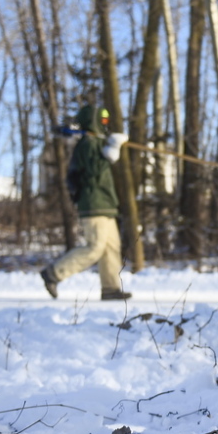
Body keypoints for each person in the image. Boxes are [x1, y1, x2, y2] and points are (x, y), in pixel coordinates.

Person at [41, 105, 132, 301]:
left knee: (111, 247)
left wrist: (108, 146)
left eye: (107, 120)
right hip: (93, 204)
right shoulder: (88, 144)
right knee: (95, 247)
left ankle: (110, 288)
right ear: (94, 121)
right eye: (102, 120)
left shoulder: (97, 142)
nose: (105, 123)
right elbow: (93, 173)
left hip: (106, 204)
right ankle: (53, 273)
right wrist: (112, 149)